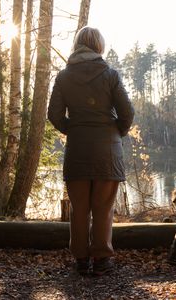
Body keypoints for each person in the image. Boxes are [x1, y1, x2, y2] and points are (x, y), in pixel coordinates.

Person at [48, 27, 134, 276]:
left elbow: (53, 115)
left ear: (77, 45)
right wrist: (116, 132)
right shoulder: (110, 75)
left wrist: (73, 129)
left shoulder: (64, 77)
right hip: (108, 150)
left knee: (79, 208)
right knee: (104, 208)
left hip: (77, 149)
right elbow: (127, 113)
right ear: (99, 47)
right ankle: (101, 260)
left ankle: (81, 260)